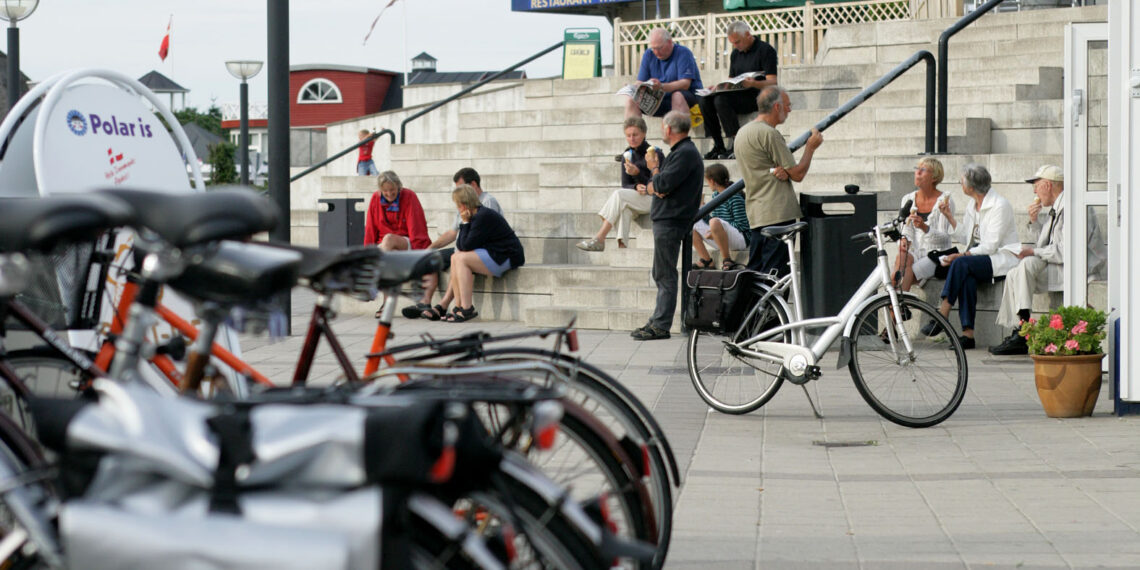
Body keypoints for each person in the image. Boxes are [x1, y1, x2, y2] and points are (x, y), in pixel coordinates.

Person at [733, 85, 823, 277]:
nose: (789, 110)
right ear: (776, 107)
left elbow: (762, 167)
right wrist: (810, 148)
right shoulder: (769, 134)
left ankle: (755, 308)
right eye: (787, 105)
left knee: (756, 276)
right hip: (778, 215)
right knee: (776, 277)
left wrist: (780, 169)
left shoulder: (743, 132)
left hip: (757, 213)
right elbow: (798, 174)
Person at [929, 163, 1020, 350]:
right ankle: (967, 335)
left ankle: (942, 313)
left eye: (961, 181)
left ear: (971, 186)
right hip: (979, 257)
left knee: (961, 263)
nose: (960, 184)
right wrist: (949, 218)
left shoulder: (999, 205)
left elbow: (991, 245)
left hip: (1000, 258)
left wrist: (962, 254)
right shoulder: (973, 204)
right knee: (966, 274)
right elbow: (967, 237)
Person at [631, 110, 704, 341]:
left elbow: (661, 185)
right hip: (668, 219)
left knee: (665, 275)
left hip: (672, 220)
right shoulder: (682, 152)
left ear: (669, 129)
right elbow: (659, 187)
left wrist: (653, 169)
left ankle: (661, 325)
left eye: (663, 127)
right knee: (661, 272)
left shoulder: (685, 153)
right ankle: (656, 320)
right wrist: (655, 185)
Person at [406, 167, 503, 320]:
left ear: (473, 184)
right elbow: (453, 232)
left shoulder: (487, 202)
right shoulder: (465, 203)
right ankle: (425, 303)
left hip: (478, 250)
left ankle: (444, 306)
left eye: (461, 187)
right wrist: (429, 248)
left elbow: (483, 234)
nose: (458, 191)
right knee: (431, 257)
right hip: (464, 246)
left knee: (458, 258)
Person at [989, 165, 1067, 355]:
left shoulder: (1068, 208)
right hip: (1056, 263)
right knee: (1015, 272)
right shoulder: (1055, 208)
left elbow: (1063, 251)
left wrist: (1031, 251)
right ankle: (1019, 328)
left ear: (1048, 185)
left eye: (1036, 185)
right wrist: (1034, 222)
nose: (1034, 190)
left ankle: (1023, 330)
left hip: (1074, 267)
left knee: (1025, 265)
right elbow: (1047, 243)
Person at [437, 184, 525, 323]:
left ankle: (467, 308)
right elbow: (461, 245)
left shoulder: (483, 216)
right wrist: (465, 222)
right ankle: (458, 307)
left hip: (507, 255)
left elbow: (466, 246)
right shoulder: (473, 216)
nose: (457, 208)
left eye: (458, 204)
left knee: (461, 259)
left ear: (464, 204)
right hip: (494, 253)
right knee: (455, 257)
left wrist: (465, 223)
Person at [698, 21, 778, 160]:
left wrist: (753, 83)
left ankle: (737, 143)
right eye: (733, 43)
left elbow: (773, 81)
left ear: (748, 35)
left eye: (738, 42)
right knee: (705, 100)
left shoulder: (765, 50)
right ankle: (718, 145)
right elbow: (731, 79)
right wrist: (717, 87)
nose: (736, 46)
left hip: (756, 95)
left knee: (721, 100)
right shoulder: (735, 54)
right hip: (739, 93)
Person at [576, 117, 656, 251]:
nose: (632, 138)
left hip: (654, 198)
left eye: (635, 135)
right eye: (628, 135)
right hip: (636, 198)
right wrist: (636, 186)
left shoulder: (654, 152)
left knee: (619, 195)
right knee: (624, 209)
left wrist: (638, 174)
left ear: (644, 133)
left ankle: (600, 238)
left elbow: (659, 182)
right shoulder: (627, 155)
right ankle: (622, 249)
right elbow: (626, 185)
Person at [363, 171, 430, 318]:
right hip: (387, 249)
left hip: (407, 242)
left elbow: (416, 227)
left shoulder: (409, 196)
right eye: (385, 191)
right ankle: (387, 303)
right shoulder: (375, 198)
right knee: (387, 255)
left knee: (388, 240)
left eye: (392, 190)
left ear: (398, 187)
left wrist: (419, 255)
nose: (389, 194)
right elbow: (370, 228)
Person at [893, 157, 955, 293]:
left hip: (936, 255)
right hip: (914, 252)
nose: (917, 173)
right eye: (917, 169)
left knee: (905, 272)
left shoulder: (944, 200)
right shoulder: (908, 198)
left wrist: (924, 228)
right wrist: (904, 240)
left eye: (923, 170)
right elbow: (905, 229)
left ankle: (896, 308)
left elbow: (945, 239)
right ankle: (897, 308)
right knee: (901, 258)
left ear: (934, 177)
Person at [624, 28, 703, 119]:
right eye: (654, 48)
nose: (656, 52)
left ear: (669, 42)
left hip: (688, 98)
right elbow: (640, 81)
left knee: (677, 96)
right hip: (659, 100)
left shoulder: (683, 53)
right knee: (631, 99)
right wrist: (633, 88)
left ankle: (679, 132)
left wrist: (661, 86)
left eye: (660, 48)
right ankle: (634, 132)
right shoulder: (649, 54)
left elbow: (685, 84)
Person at [691, 163, 750, 271]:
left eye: (708, 181)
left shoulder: (735, 197)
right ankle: (707, 260)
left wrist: (718, 230)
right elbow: (715, 221)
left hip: (741, 239)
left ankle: (727, 259)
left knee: (714, 222)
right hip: (722, 236)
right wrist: (703, 212)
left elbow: (742, 225)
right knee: (691, 222)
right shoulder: (715, 196)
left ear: (712, 181)